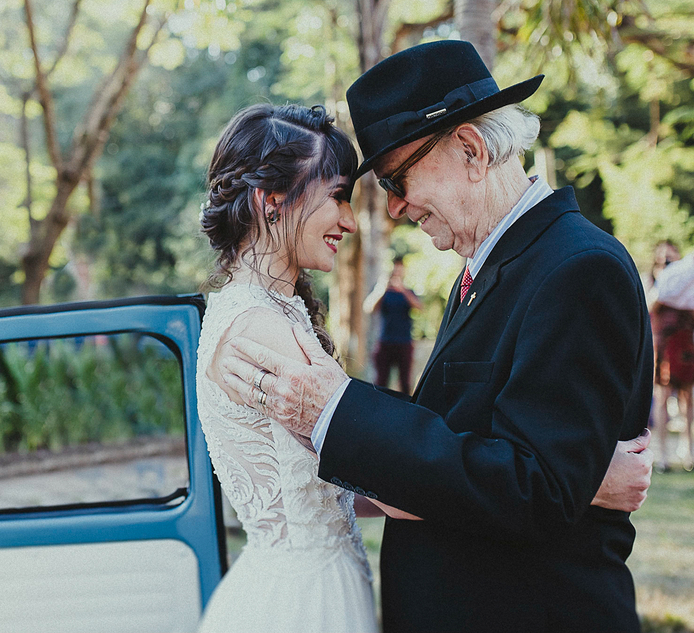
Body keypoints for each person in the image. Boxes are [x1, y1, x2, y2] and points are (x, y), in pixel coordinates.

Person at [218, 41, 654, 633]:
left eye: (398, 179)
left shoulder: (577, 269)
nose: (395, 208)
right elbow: (468, 433)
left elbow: (538, 490)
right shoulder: (487, 268)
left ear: (471, 149)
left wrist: (334, 411)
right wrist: (587, 481)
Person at [650, 242, 694, 471]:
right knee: (662, 397)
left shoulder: (685, 277)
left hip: (684, 342)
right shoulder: (656, 280)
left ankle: (688, 452)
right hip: (665, 343)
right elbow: (649, 307)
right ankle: (663, 455)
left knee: (688, 397)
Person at [363, 256, 421, 394]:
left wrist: (403, 290)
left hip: (404, 341)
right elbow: (369, 308)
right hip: (385, 341)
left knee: (405, 383)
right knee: (381, 382)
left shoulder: (408, 291)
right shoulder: (383, 291)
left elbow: (419, 307)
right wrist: (382, 290)